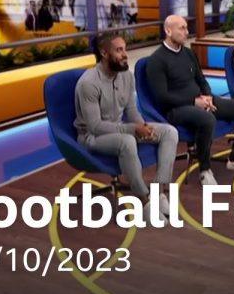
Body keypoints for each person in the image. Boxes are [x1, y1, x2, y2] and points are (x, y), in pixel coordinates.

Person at [74, 33, 179, 221]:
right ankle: (144, 202)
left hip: (119, 128)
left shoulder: (127, 76)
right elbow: (95, 126)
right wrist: (133, 129)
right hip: (92, 136)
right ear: (104, 53)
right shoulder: (88, 83)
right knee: (127, 141)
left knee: (170, 132)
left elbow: (131, 110)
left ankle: (158, 192)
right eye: (119, 50)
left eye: (125, 49)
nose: (125, 54)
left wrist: (142, 126)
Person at [146, 15, 234, 186]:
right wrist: (194, 102)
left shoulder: (188, 53)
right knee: (207, 119)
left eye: (186, 27)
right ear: (168, 31)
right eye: (182, 28)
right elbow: (162, 97)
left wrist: (207, 96)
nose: (187, 32)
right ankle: (204, 170)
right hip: (176, 109)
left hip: (202, 100)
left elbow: (201, 80)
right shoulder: (157, 60)